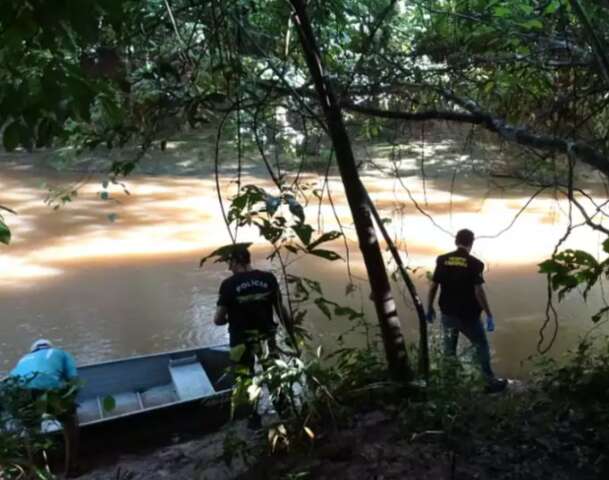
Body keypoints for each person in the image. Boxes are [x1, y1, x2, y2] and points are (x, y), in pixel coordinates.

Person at [213, 245, 292, 427]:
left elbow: (218, 319)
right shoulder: (268, 278)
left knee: (245, 377)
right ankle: (285, 411)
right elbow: (281, 311)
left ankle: (253, 419)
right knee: (273, 373)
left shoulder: (228, 285)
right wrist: (291, 333)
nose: (228, 268)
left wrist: (228, 319)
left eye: (229, 263)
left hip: (241, 340)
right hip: (266, 337)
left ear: (236, 261)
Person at [426, 229, 507, 393]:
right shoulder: (475, 263)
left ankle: (449, 384)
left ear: (456, 241)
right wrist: (489, 314)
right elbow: (478, 291)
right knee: (481, 345)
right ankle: (489, 382)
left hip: (448, 312)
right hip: (468, 315)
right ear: (472, 242)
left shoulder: (442, 260)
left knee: (449, 349)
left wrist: (429, 307)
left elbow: (434, 286)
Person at [9, 339, 80, 476]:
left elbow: (12, 382)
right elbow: (74, 380)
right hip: (50, 389)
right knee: (70, 422)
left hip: (21, 394)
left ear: (33, 350)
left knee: (31, 432)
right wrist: (69, 403)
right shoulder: (62, 353)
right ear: (49, 347)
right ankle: (72, 469)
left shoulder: (22, 359)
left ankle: (39, 474)